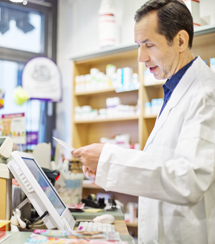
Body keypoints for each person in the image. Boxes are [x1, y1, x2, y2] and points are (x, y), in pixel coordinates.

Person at [72, 0, 215, 243]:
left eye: (149, 45)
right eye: (139, 46)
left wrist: (109, 159)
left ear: (180, 41)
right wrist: (106, 168)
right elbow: (163, 163)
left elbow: (189, 179)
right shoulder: (175, 89)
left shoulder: (206, 94)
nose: (141, 57)